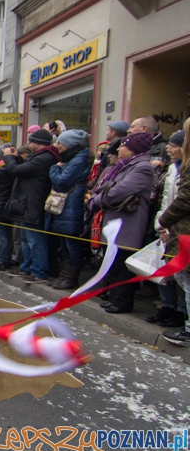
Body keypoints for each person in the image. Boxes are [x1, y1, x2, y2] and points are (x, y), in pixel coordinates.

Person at [88, 131, 154, 314]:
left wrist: (96, 201)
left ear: (133, 150)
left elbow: (120, 190)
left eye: (123, 146)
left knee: (123, 262)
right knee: (114, 262)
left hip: (129, 221)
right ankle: (115, 297)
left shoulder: (142, 168)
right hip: (117, 219)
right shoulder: (125, 166)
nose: (119, 149)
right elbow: (107, 186)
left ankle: (122, 301)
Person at [3, 129, 60, 283]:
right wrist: (16, 157)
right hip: (26, 202)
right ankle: (27, 267)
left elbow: (16, 170)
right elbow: (26, 170)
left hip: (33, 202)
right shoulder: (40, 157)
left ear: (37, 142)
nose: (29, 144)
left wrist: (8, 157)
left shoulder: (45, 158)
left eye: (31, 140)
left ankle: (39, 271)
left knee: (35, 239)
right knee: (25, 238)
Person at [150, 130, 187, 327]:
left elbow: (183, 202)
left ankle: (181, 312)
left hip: (181, 228)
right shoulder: (173, 168)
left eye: (173, 146)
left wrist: (169, 224)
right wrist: (161, 225)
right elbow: (166, 199)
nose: (168, 148)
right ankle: (167, 306)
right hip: (167, 223)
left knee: (182, 272)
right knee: (164, 267)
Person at [46, 130, 91, 290]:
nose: (57, 146)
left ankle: (70, 277)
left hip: (71, 205)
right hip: (66, 206)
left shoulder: (78, 161)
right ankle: (64, 275)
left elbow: (61, 182)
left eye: (60, 143)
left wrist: (54, 169)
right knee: (64, 243)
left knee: (71, 244)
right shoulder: (72, 159)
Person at [159, 119, 190, 345]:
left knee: (186, 277)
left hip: (185, 230)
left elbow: (185, 199)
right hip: (180, 229)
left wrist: (164, 220)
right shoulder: (177, 167)